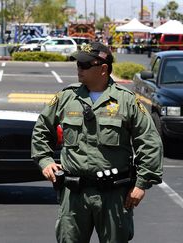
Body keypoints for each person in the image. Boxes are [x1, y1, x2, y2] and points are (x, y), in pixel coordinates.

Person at [31, 42, 163, 243]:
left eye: (84, 65)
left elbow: (149, 141)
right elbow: (41, 129)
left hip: (114, 195)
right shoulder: (66, 97)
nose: (79, 69)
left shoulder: (126, 101)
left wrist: (142, 183)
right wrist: (45, 160)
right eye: (78, 64)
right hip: (74, 194)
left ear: (103, 69)